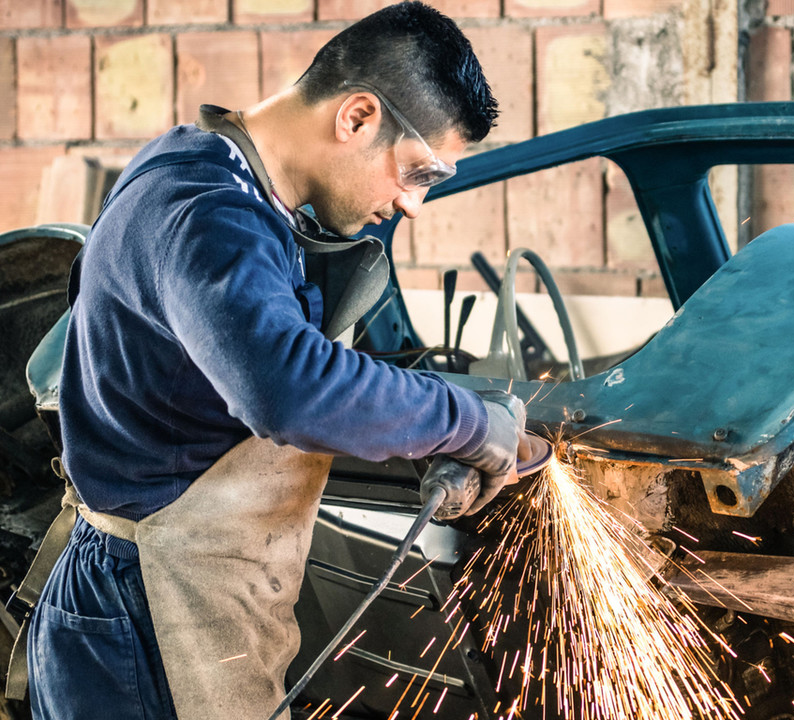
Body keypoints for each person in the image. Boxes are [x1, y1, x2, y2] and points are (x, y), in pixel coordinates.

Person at [18, 3, 528, 718]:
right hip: (145, 613)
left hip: (159, 594)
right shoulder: (208, 211)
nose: (412, 205)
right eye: (417, 173)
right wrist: (465, 422)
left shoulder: (197, 164)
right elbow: (287, 388)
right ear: (356, 117)